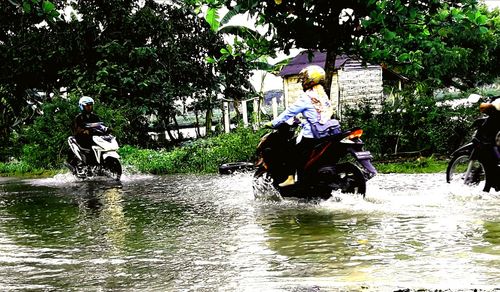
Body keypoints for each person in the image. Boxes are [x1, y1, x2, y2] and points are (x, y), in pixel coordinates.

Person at [267, 65, 336, 187]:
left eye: (304, 79)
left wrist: (273, 123)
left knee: (290, 150)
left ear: (310, 80)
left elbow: (289, 112)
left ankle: (290, 178)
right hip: (327, 133)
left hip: (312, 135)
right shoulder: (322, 95)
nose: (302, 82)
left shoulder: (307, 97)